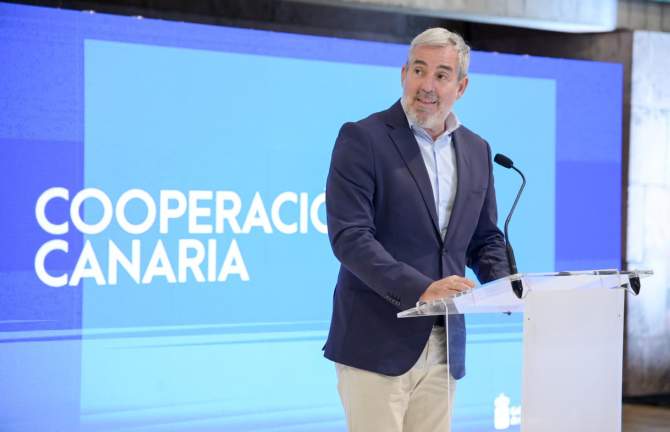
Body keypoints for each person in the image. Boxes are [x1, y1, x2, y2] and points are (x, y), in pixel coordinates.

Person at [323, 27, 510, 431]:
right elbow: (350, 237)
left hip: (445, 345)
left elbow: (483, 237)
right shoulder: (363, 138)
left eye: (441, 75)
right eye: (419, 70)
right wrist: (422, 288)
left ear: (461, 86)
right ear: (403, 73)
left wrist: (507, 285)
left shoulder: (476, 149)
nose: (427, 85)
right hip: (376, 342)